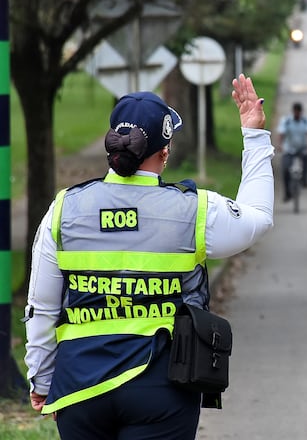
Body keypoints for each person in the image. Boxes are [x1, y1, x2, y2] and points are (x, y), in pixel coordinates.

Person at [24, 74, 274, 439]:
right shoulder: (196, 211)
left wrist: (41, 379)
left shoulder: (64, 209)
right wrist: (254, 136)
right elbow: (259, 219)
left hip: (80, 388)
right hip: (163, 388)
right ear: (165, 151)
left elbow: (41, 306)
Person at [277, 102, 307, 202]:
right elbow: (281, 133)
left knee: (306, 159)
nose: (297, 114)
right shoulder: (286, 121)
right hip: (289, 149)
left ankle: (305, 180)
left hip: (302, 148)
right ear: (293, 111)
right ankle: (287, 193)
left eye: (299, 112)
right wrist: (280, 145)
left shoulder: (306, 121)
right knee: (285, 169)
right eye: (295, 112)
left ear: (301, 112)